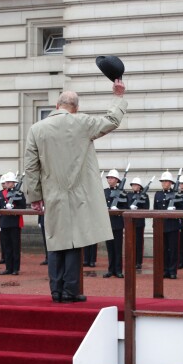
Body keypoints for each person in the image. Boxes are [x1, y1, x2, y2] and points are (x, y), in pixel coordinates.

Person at [24, 79, 127, 302]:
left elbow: (31, 167)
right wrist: (118, 97)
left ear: (56, 105)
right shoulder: (82, 122)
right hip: (79, 192)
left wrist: (34, 196)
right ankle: (70, 290)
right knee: (74, 242)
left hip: (52, 192)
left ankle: (55, 290)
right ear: (76, 108)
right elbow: (111, 121)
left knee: (54, 241)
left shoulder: (36, 129)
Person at [153, 171, 182, 279]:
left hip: (173, 225)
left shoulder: (177, 194)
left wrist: (174, 209)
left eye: (167, 181)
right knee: (163, 249)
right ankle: (164, 270)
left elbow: (181, 209)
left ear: (171, 183)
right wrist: (155, 225)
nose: (164, 183)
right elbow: (155, 210)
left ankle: (172, 271)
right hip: (161, 225)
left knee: (173, 249)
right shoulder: (158, 194)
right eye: (163, 181)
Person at [0, 172, 26, 276]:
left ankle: (15, 268)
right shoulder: (0, 194)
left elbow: (23, 207)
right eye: (6, 182)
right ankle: (8, 267)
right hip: (4, 222)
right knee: (6, 247)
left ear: (14, 183)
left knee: (15, 246)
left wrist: (13, 208)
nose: (7, 183)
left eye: (9, 182)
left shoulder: (19, 193)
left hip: (14, 222)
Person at [103, 169, 128, 278]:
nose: (110, 179)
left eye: (112, 178)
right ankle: (110, 269)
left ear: (117, 180)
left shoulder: (122, 193)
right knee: (110, 248)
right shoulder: (104, 192)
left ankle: (118, 270)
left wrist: (117, 208)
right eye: (108, 178)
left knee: (117, 248)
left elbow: (126, 207)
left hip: (117, 223)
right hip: (108, 223)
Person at [129, 177, 149, 270]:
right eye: (133, 185)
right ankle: (131, 260)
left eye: (136, 185)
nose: (134, 186)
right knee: (130, 242)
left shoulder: (145, 196)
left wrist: (138, 209)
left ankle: (138, 261)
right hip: (130, 222)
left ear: (140, 187)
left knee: (138, 242)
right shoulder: (128, 195)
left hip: (139, 222)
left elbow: (146, 208)